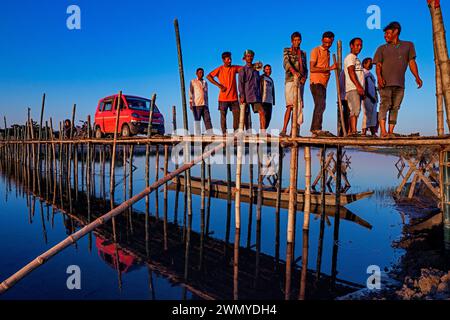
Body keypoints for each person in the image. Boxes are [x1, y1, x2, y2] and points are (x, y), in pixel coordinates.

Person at [373, 21, 423, 138]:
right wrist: (379, 78)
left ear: (396, 31)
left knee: (395, 107)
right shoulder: (381, 48)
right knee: (384, 105)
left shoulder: (408, 45)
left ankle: (390, 132)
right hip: (385, 83)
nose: (385, 36)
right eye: (384, 34)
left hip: (400, 84)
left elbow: (411, 62)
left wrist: (417, 77)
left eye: (388, 33)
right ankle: (383, 131)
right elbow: (378, 65)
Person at [207, 52, 244, 134]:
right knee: (223, 116)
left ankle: (236, 133)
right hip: (223, 98)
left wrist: (253, 64)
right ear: (223, 60)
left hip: (234, 98)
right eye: (228, 59)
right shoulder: (219, 69)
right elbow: (209, 76)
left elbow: (245, 68)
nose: (230, 61)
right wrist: (219, 85)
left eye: (230, 59)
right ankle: (224, 133)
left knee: (237, 116)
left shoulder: (234, 68)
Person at [280, 32, 308, 137]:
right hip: (290, 80)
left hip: (300, 82)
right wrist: (294, 72)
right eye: (295, 40)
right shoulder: (287, 50)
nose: (297, 42)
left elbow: (305, 68)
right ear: (292, 41)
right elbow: (286, 63)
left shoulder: (303, 53)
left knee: (299, 106)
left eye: (298, 40)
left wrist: (304, 77)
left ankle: (295, 131)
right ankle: (284, 130)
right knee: (290, 106)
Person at [310, 31, 337, 137]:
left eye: (329, 43)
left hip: (323, 83)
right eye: (325, 42)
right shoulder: (316, 50)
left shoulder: (328, 53)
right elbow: (312, 68)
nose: (327, 45)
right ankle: (315, 129)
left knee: (322, 105)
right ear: (322, 40)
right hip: (316, 82)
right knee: (320, 104)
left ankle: (316, 129)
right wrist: (329, 68)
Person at [343, 38, 365, 136]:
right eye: (357, 45)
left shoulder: (356, 58)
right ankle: (353, 131)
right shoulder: (350, 57)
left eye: (360, 45)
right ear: (351, 46)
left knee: (355, 109)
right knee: (355, 109)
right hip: (353, 88)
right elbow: (351, 72)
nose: (359, 47)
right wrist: (358, 86)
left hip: (356, 88)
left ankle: (351, 131)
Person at [238, 50, 263, 132]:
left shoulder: (256, 69)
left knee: (261, 112)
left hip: (256, 95)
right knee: (246, 115)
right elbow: (240, 83)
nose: (249, 58)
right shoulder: (243, 70)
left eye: (251, 56)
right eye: (248, 56)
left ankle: (263, 132)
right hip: (246, 94)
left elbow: (258, 81)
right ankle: (249, 132)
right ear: (245, 58)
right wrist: (242, 95)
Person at [189, 68, 213, 135]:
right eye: (200, 72)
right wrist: (190, 102)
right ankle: (198, 134)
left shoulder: (205, 82)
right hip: (196, 104)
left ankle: (210, 134)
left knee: (207, 119)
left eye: (202, 72)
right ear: (196, 73)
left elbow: (206, 94)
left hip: (205, 104)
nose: (201, 74)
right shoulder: (193, 81)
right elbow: (190, 92)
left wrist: (207, 104)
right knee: (197, 120)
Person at [362, 58, 379, 136]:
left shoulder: (370, 74)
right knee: (367, 114)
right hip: (367, 97)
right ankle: (364, 132)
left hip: (373, 97)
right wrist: (369, 96)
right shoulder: (363, 72)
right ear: (364, 64)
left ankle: (372, 132)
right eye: (369, 63)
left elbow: (373, 86)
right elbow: (364, 85)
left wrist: (375, 96)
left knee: (373, 115)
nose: (371, 64)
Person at [260, 64, 275, 129]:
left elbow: (272, 90)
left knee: (268, 118)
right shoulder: (261, 78)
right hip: (263, 100)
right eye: (267, 69)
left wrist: (273, 101)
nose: (268, 71)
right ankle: (262, 131)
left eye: (269, 69)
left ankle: (264, 131)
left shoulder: (271, 79)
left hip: (269, 101)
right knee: (263, 116)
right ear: (264, 70)